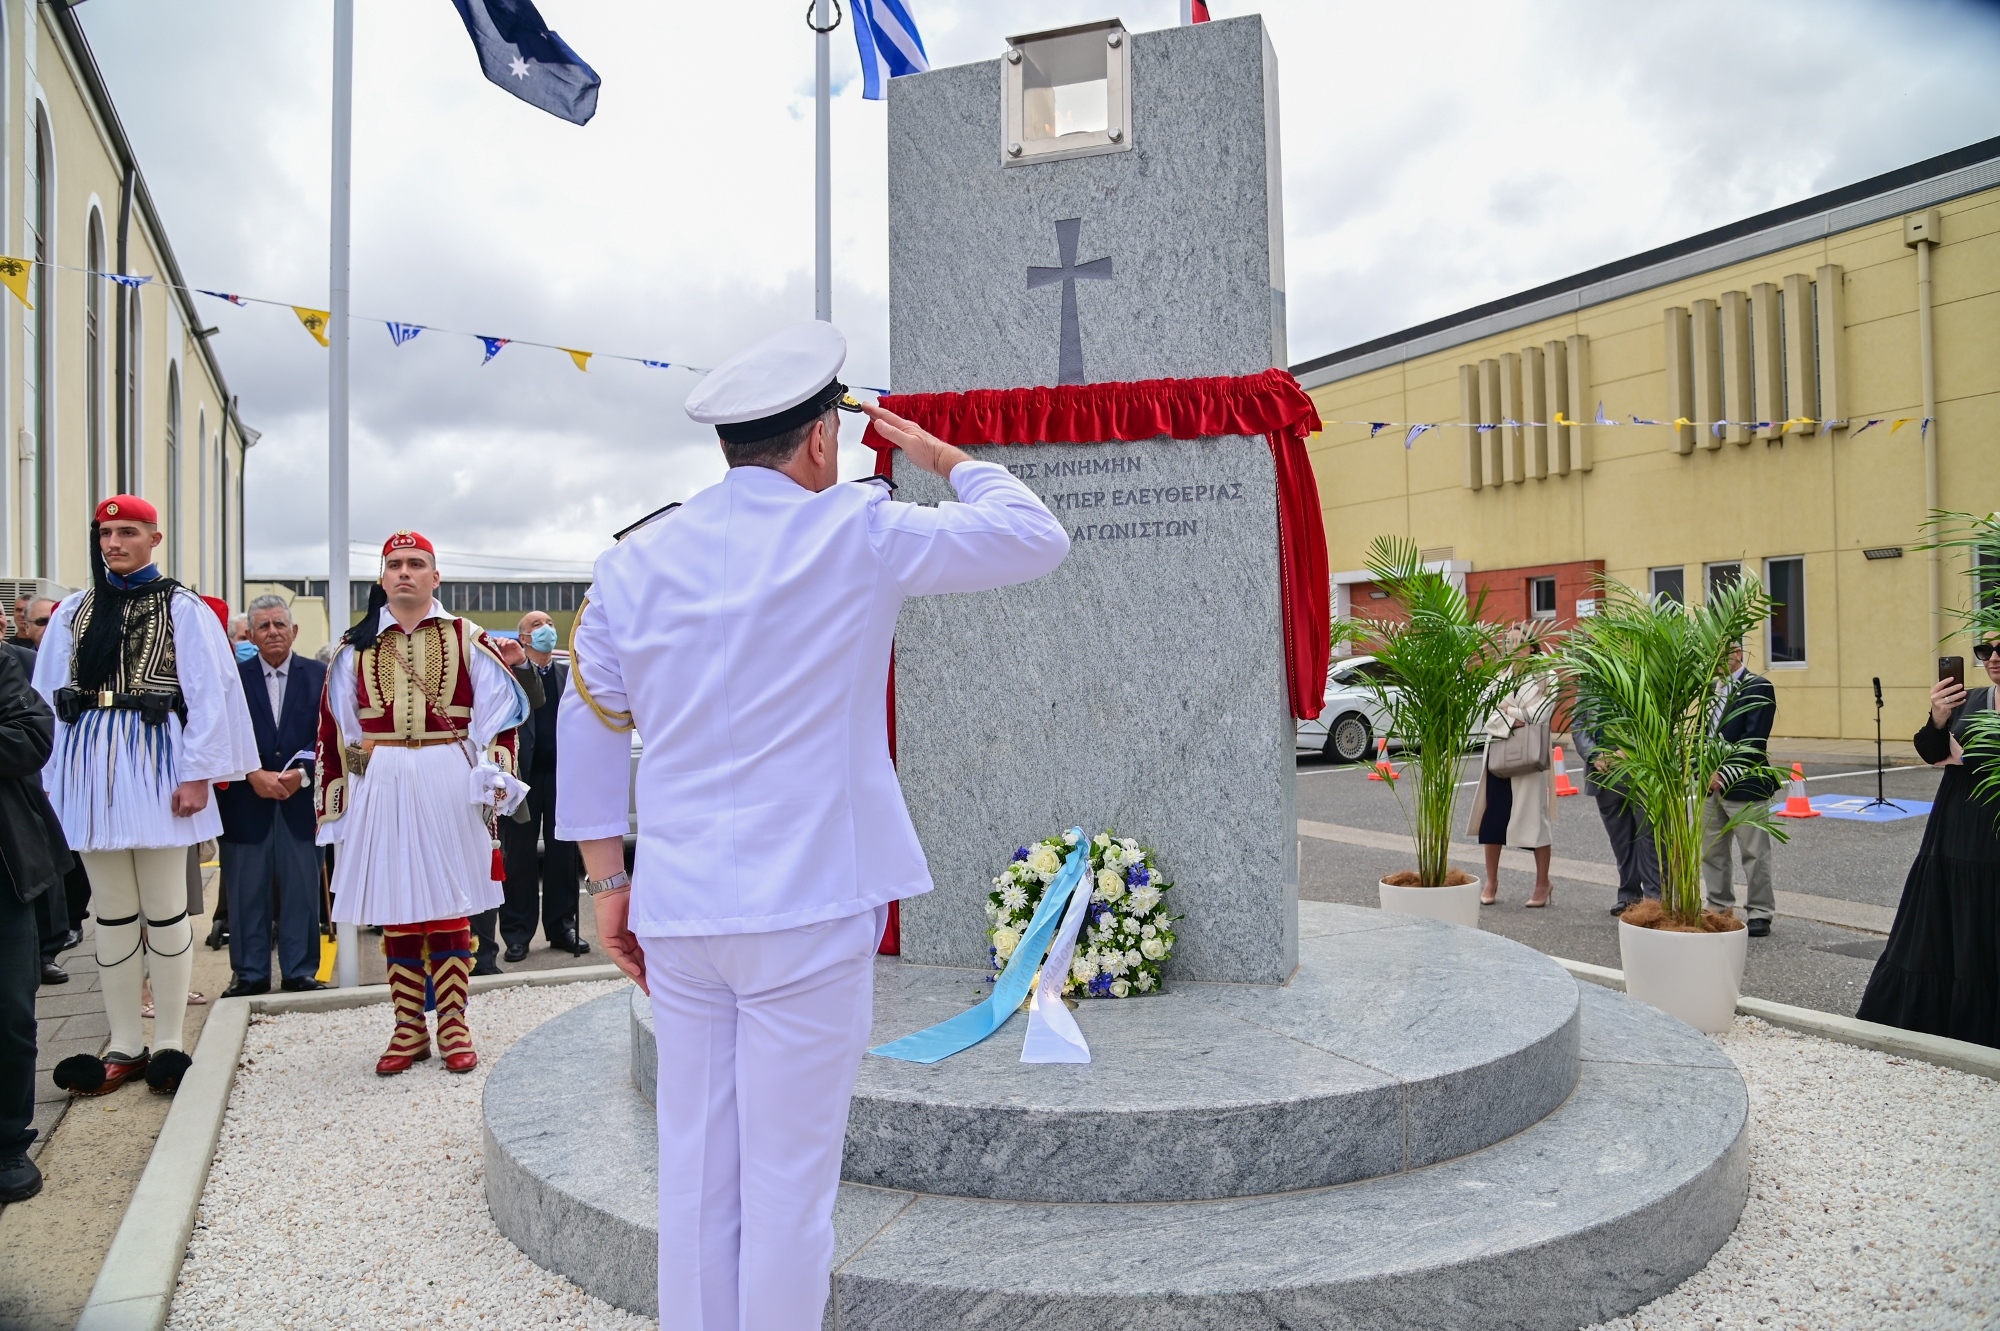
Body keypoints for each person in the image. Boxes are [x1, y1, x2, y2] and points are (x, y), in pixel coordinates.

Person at [557, 321, 1070, 1330]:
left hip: (680, 904)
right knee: (789, 1183)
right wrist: (942, 457)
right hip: (809, 899)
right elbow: (1034, 536)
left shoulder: (635, 559)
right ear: (821, 442)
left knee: (696, 1167)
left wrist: (606, 882)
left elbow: (590, 716)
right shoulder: (859, 529)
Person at [36, 496, 258, 1097]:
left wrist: (197, 774)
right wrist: (50, 776)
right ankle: (125, 1042)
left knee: (163, 908)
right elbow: (47, 694)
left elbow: (209, 694)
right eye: (106, 533)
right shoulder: (74, 610)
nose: (113, 543)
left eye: (127, 532)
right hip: (89, 766)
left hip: (157, 759)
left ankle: (169, 1043)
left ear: (153, 539)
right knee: (110, 912)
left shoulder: (182, 608)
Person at [316, 531, 531, 1074]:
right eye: (394, 565)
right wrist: (339, 804)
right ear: (382, 577)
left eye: (416, 564)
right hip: (382, 777)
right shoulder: (354, 645)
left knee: (449, 902)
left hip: (446, 775)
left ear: (436, 577)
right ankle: (409, 1025)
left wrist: (496, 776)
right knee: (397, 905)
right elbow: (335, 728)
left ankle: (454, 1021)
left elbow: (503, 714)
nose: (404, 573)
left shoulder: (468, 637)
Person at [1857, 636, 1999, 1048]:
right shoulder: (1967, 698)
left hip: (1991, 830)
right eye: (1984, 651)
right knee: (1946, 927)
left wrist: (1964, 756)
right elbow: (1931, 751)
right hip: (1956, 829)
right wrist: (1939, 716)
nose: (1992, 659)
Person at [216, 596, 328, 997]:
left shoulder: (321, 676)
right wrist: (250, 774)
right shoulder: (231, 678)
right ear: (250, 635)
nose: (273, 632)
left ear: (294, 631)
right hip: (246, 805)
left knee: (302, 891)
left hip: (300, 804)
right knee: (246, 894)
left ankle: (300, 972)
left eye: (280, 624)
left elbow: (331, 740)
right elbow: (218, 735)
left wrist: (303, 774)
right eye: (263, 627)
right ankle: (250, 975)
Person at [0, 645, 74, 1201]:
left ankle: (7, 1144)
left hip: (4, 873)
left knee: (10, 1014)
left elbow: (31, 736)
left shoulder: (3, 664)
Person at [496, 609, 587, 962]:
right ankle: (517, 934)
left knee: (563, 855)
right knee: (518, 857)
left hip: (563, 777)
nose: (546, 629)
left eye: (549, 623)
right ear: (523, 638)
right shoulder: (510, 678)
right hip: (523, 778)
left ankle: (562, 926)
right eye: (536, 625)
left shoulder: (570, 675)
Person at [1468, 645, 1558, 907]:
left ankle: (1543, 884)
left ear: (1531, 647)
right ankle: (1491, 882)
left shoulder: (1547, 676)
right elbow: (1484, 711)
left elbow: (1541, 714)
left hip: (1530, 757)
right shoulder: (1499, 676)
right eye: (1508, 641)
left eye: (1518, 641)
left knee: (1534, 820)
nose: (1511, 646)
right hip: (1499, 753)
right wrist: (1516, 719)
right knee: (1493, 818)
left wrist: (1509, 712)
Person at [1702, 640, 1779, 936]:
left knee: (1754, 853)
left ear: (1736, 654)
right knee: (1712, 851)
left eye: (1719, 654)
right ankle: (1717, 906)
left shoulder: (1758, 686)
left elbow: (1754, 740)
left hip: (1744, 784)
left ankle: (1760, 912)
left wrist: (1723, 773)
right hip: (1709, 786)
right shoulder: (1713, 689)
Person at [1571, 706, 1660, 916]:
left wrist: (1628, 750)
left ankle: (1655, 900)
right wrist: (1594, 755)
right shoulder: (1589, 680)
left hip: (1639, 772)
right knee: (1620, 841)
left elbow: (1652, 718)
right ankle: (1629, 896)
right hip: (1603, 774)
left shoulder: (1640, 673)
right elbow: (1578, 725)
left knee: (1648, 840)